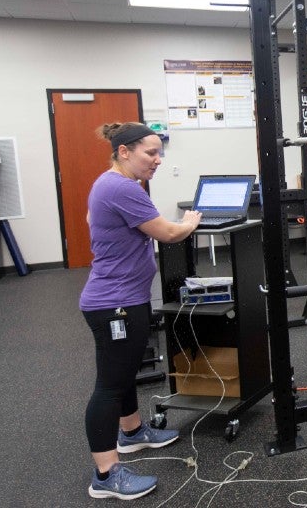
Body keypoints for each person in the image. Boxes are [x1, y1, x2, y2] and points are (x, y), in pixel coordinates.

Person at [81, 122, 202, 500]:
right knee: (110, 386)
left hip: (122, 296)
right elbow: (167, 233)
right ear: (124, 151)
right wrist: (190, 222)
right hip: (114, 302)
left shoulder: (110, 184)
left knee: (126, 370)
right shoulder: (120, 186)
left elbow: (92, 222)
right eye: (150, 152)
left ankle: (133, 433)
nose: (158, 160)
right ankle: (105, 475)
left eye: (159, 152)